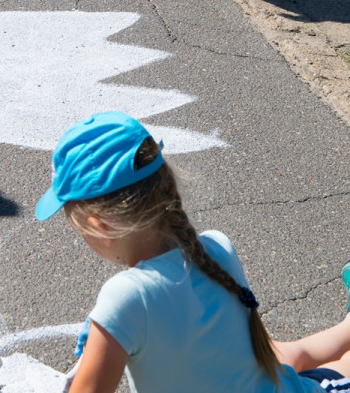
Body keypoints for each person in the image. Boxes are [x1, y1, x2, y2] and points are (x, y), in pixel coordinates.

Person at [35, 111, 350, 393]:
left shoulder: (125, 298)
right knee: (281, 356)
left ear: (100, 226)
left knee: (287, 358)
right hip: (271, 382)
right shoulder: (216, 247)